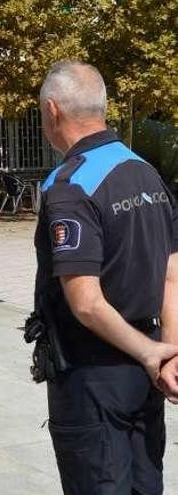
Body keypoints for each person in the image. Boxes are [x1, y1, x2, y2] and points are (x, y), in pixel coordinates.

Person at [34, 60, 178, 494]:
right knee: (143, 484)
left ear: (52, 110)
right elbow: (172, 273)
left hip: (93, 376)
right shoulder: (144, 171)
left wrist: (154, 354)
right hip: (144, 372)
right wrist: (166, 351)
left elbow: (86, 302)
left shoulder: (71, 185)